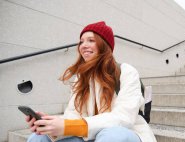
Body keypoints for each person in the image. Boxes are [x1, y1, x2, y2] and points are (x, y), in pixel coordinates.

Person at [25, 21, 157, 142]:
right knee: (38, 138)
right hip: (89, 136)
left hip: (127, 133)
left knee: (111, 136)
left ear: (105, 45)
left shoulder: (126, 72)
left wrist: (69, 126)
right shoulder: (81, 78)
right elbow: (73, 115)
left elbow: (124, 118)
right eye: (81, 41)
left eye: (91, 40)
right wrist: (51, 124)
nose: (83, 45)